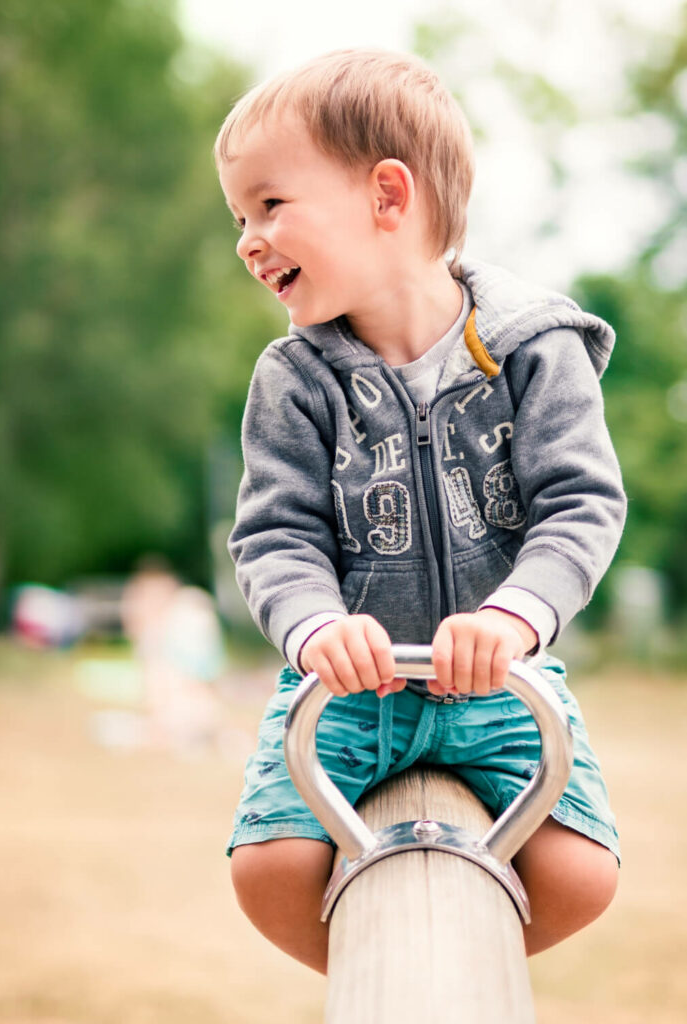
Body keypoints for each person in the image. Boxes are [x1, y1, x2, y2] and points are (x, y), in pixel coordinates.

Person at [215, 49, 626, 973]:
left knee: (582, 875)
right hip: (348, 684)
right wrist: (316, 628)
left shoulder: (530, 351)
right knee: (268, 870)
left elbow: (580, 504)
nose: (246, 238)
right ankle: (389, 975)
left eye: (269, 205)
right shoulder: (295, 378)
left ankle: (455, 974)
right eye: (238, 216)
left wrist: (514, 619)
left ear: (386, 197)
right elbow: (275, 533)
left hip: (497, 678)